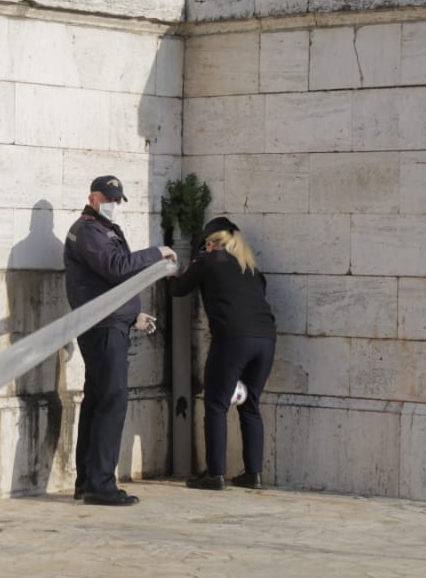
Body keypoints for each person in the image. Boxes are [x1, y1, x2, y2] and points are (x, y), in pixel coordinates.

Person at [64, 175, 176, 506]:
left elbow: (110, 282)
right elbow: (116, 267)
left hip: (110, 322)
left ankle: (88, 481)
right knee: (112, 401)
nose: (113, 205)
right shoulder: (87, 231)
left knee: (99, 400)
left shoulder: (103, 230)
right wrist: (156, 252)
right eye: (108, 199)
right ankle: (100, 484)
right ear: (93, 198)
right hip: (102, 327)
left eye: (116, 200)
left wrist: (131, 315)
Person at [170, 217, 276, 491]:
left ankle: (215, 474)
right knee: (250, 405)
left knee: (216, 405)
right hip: (265, 340)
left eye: (205, 244)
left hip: (232, 339)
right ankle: (253, 474)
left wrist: (173, 271)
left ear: (211, 243)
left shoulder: (208, 261)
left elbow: (178, 289)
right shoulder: (250, 267)